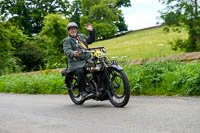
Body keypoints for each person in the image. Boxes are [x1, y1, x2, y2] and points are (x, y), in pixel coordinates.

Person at [63, 22, 95, 98]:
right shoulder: (67, 40)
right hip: (75, 63)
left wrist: (91, 31)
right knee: (80, 71)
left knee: (99, 67)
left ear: (77, 30)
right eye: (71, 29)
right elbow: (67, 50)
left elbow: (90, 40)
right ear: (68, 31)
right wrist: (73, 53)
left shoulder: (82, 36)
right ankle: (82, 91)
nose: (73, 30)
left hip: (87, 60)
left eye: (74, 29)